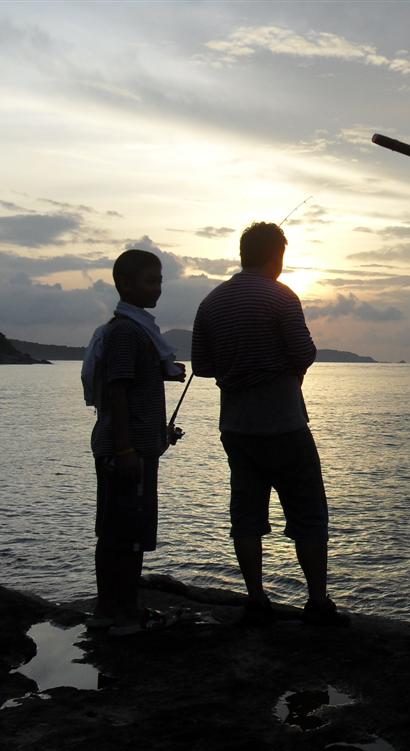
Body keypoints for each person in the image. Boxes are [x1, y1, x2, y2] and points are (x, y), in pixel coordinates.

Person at [191, 222, 347, 628]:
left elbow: (203, 366)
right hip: (284, 423)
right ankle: (317, 602)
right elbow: (304, 352)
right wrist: (281, 367)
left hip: (237, 427)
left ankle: (256, 598)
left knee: (246, 514)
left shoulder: (209, 303)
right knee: (309, 513)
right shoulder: (282, 297)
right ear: (276, 255)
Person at [84, 249, 187, 635]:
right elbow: (118, 391)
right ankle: (127, 617)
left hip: (125, 448)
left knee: (112, 531)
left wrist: (163, 374)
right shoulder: (129, 332)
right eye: (150, 280)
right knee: (128, 537)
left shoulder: (128, 330)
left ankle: (106, 612)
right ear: (125, 284)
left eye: (159, 280)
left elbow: (130, 380)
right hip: (126, 453)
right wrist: (128, 449)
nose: (157, 287)